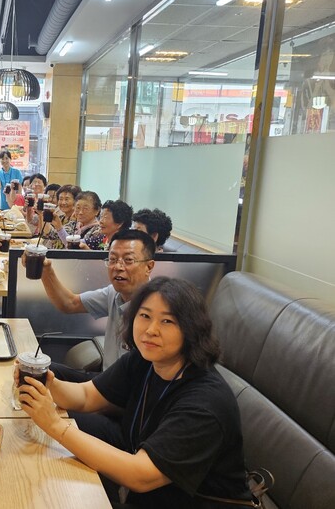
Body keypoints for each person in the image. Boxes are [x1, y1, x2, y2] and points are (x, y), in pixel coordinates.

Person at [18, 277, 252, 508]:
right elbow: (87, 396)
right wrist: (45, 383)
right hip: (152, 494)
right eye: (145, 316)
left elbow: (140, 476)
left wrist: (55, 425)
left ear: (192, 329)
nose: (151, 330)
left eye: (167, 321)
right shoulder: (145, 360)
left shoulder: (205, 404)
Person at [26, 229, 156, 377]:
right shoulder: (113, 293)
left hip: (130, 389)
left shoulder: (158, 309)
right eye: (112, 259)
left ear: (149, 267)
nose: (118, 267)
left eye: (128, 260)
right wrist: (46, 271)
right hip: (106, 380)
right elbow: (70, 303)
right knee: (35, 369)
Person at [40, 184, 81, 249]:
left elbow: (54, 235)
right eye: (60, 199)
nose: (63, 202)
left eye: (66, 199)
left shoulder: (77, 220)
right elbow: (45, 234)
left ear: (76, 201)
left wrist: (41, 214)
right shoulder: (61, 217)